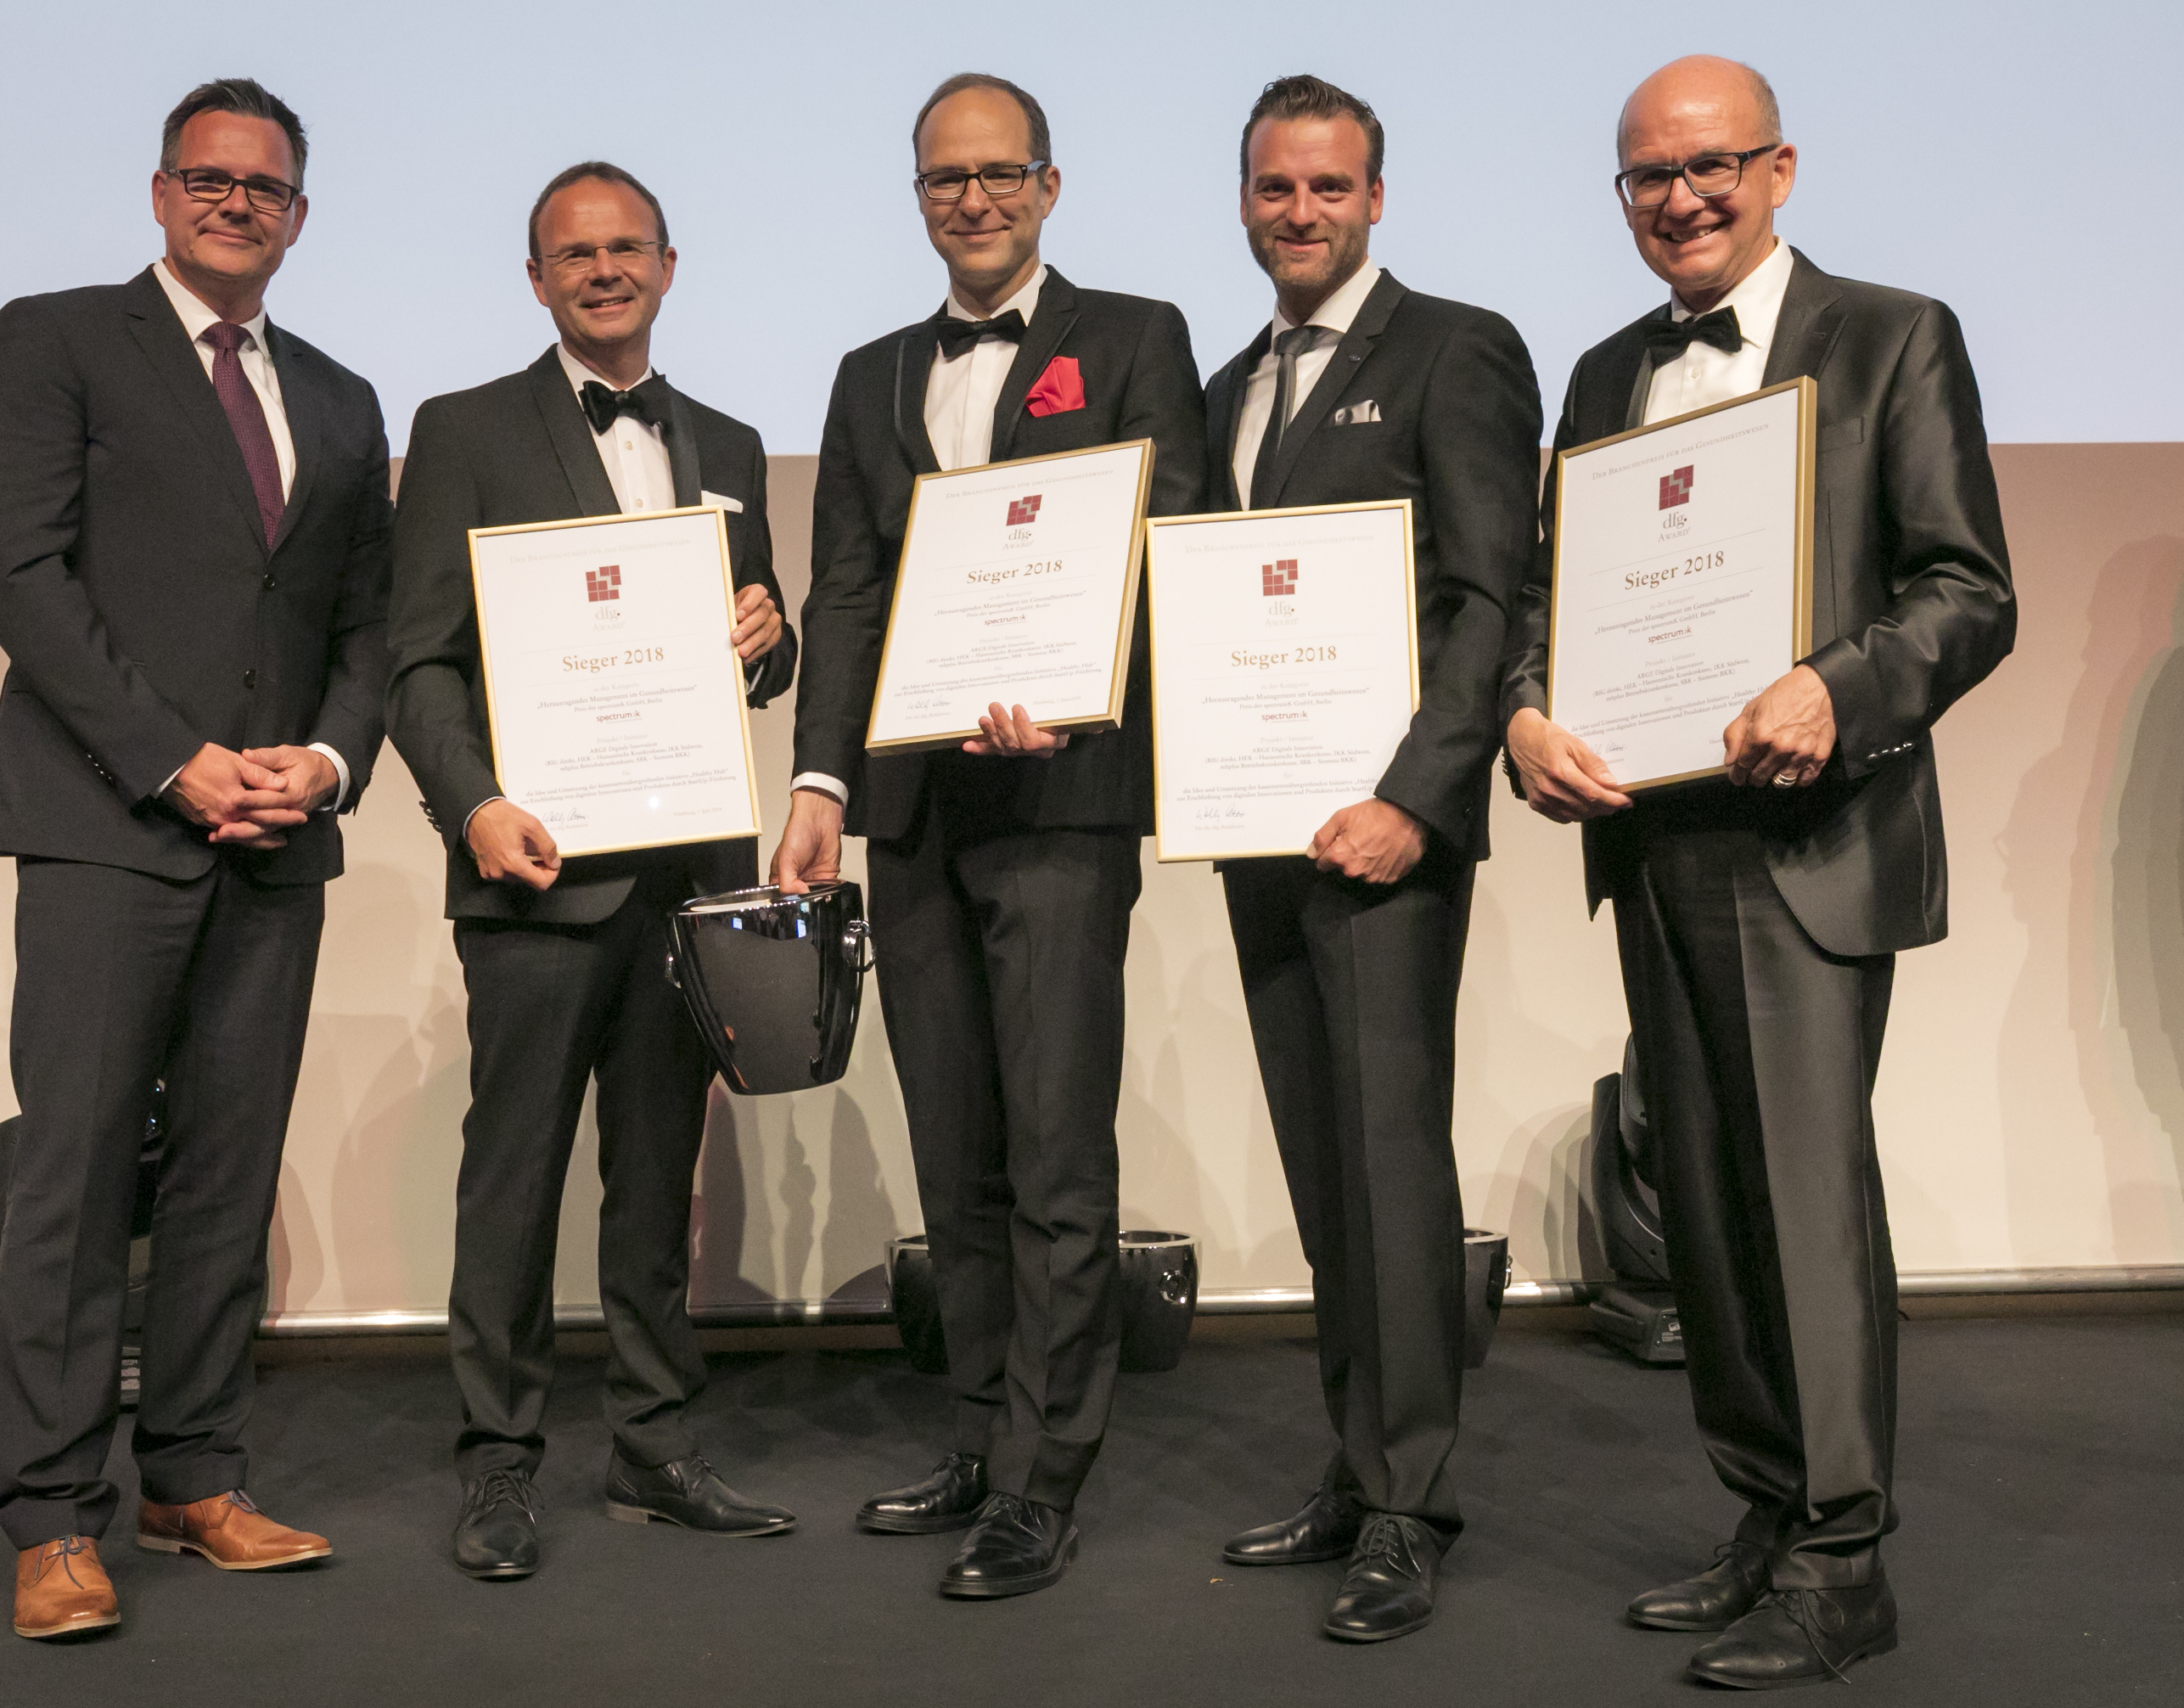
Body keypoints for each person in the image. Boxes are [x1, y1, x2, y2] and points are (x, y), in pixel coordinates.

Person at [1499, 56, 2013, 1689]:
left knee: (1799, 1202)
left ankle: (1842, 1562)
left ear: (1778, 169)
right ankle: (1766, 1512)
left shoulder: (1892, 335)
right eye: (1647, 176)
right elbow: (1548, 593)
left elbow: (1966, 588)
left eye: (1710, 165)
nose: (1680, 199)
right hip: (1655, 836)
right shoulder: (1602, 372)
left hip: (1811, 838)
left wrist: (1835, 687)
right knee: (1705, 1214)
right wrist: (1525, 712)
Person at [0, 77, 393, 1639]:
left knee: (226, 1171)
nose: (233, 204)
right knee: (75, 1179)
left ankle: (195, 1477)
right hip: (106, 827)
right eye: (207, 179)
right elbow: (23, 576)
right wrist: (171, 759)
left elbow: (364, 622)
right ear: (159, 194)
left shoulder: (340, 397)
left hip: (275, 842)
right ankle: (50, 1519)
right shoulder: (56, 339)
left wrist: (324, 763)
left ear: (298, 216)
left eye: (262, 187)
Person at [772, 72, 1203, 1599]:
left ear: (1048, 185)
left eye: (998, 173)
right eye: (945, 178)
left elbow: (1162, 537)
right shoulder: (870, 373)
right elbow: (843, 591)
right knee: (953, 1148)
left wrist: (1072, 697)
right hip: (909, 807)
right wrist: (817, 783)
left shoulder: (1136, 337)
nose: (973, 199)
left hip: (1059, 802)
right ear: (918, 198)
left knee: (1055, 1154)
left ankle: (1043, 1472)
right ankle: (977, 1432)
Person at [385, 161, 800, 1582]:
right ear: (536, 278)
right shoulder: (462, 431)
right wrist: (472, 805)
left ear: (669, 267)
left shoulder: (728, 439)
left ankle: (653, 1444)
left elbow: (758, 654)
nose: (604, 270)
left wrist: (771, 639)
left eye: (627, 248)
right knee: (512, 1176)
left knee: (655, 1176)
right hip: (536, 873)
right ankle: (499, 1461)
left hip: (685, 875)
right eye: (576, 253)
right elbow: (419, 657)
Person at [1199, 76, 1541, 1643]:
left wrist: (1416, 796)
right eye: (1275, 188)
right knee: (1323, 1160)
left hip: (1385, 839)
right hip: (1259, 832)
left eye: (1328, 187)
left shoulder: (1455, 347)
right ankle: (1358, 1462)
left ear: (1376, 197)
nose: (1300, 212)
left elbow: (1485, 592)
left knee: (1390, 1164)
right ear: (1244, 199)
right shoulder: (1225, 389)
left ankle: (1410, 1501)